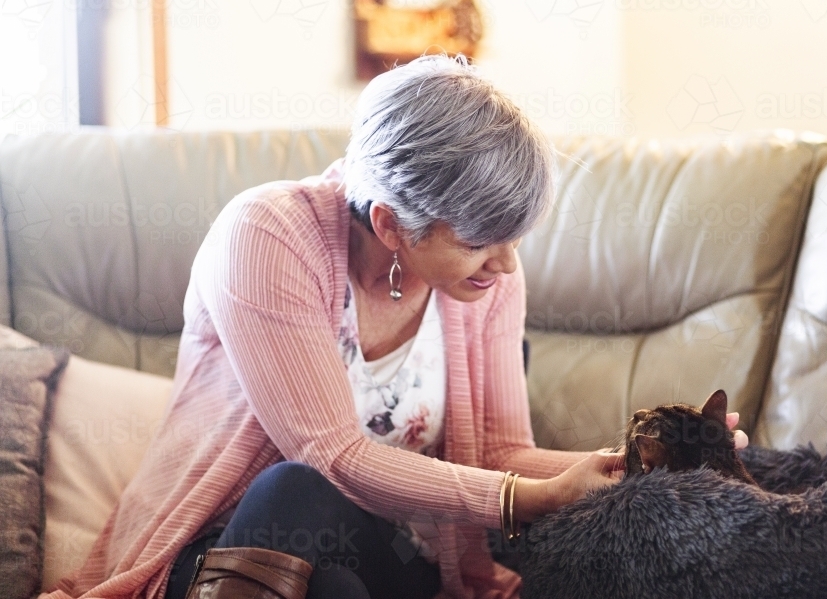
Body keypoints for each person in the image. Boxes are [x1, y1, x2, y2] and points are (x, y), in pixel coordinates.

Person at [43, 54, 747, 599]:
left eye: (515, 237)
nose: (505, 264)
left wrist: (621, 469)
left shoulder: (488, 278)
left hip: (400, 560)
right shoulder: (267, 236)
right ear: (389, 223)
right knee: (302, 505)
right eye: (480, 240)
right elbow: (331, 456)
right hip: (231, 542)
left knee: (345, 584)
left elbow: (501, 447)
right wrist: (523, 498)